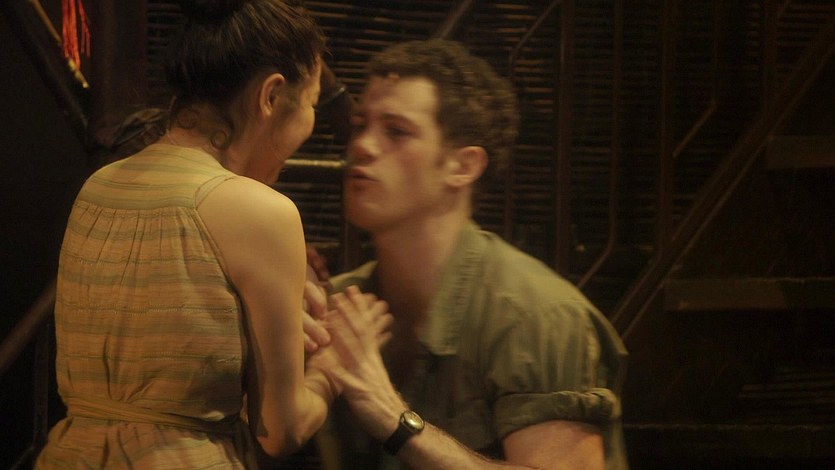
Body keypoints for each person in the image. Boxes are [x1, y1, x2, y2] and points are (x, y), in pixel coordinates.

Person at [35, 1, 379, 467]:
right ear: (271, 96)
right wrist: (331, 369)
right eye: (312, 104)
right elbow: (282, 429)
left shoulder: (98, 186)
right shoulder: (264, 211)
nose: (311, 124)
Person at [310, 39, 629, 470]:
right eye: (360, 125)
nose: (362, 146)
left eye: (396, 131)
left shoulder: (536, 315)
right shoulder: (342, 303)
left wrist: (392, 417)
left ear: (463, 166)